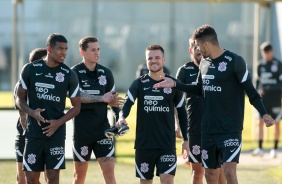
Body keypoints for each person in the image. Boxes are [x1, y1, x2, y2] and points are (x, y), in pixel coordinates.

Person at [153, 25, 275, 184]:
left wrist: (264, 114)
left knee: (229, 171)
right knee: (209, 174)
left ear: (206, 44)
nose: (196, 49)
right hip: (208, 130)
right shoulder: (204, 64)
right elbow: (198, 89)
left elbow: (251, 91)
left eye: (197, 45)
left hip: (230, 129)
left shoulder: (235, 61)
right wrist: (175, 84)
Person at [116, 44, 189, 184]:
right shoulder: (138, 83)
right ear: (146, 60)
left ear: (164, 60)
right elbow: (127, 103)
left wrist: (185, 140)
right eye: (150, 58)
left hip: (166, 144)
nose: (153, 61)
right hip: (144, 145)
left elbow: (182, 112)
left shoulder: (174, 84)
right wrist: (121, 117)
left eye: (157, 58)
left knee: (167, 181)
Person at [15, 33, 81, 184]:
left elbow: (76, 107)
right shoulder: (30, 69)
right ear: (49, 49)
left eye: (66, 49)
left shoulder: (69, 74)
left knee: (52, 177)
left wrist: (58, 123)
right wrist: (32, 112)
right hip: (33, 133)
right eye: (60, 49)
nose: (64, 52)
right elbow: (19, 99)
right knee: (31, 178)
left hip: (55, 134)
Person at [71, 36, 124, 184]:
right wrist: (101, 98)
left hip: (103, 132)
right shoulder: (74, 73)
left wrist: (119, 117)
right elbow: (77, 97)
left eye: (98, 49)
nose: (97, 53)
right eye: (93, 50)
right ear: (82, 52)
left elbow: (112, 101)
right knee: (79, 177)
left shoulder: (106, 73)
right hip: (82, 133)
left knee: (109, 173)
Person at [176, 37, 225, 184]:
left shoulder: (217, 67)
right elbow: (176, 101)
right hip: (195, 129)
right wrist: (177, 124)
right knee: (197, 172)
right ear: (191, 50)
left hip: (217, 128)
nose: (198, 50)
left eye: (200, 46)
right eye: (195, 47)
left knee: (219, 171)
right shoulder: (184, 71)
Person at [14, 48, 47, 184]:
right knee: (23, 178)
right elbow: (23, 117)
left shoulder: (53, 82)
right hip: (27, 135)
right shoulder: (22, 84)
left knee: (49, 176)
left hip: (47, 133)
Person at [252, 42, 282, 158]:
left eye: (267, 52)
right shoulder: (259, 65)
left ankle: (274, 149)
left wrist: (267, 89)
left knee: (276, 123)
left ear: (272, 52)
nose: (266, 55)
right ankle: (260, 148)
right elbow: (257, 82)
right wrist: (257, 91)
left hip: (275, 99)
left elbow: (280, 83)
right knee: (259, 122)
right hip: (262, 100)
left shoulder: (278, 65)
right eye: (263, 53)